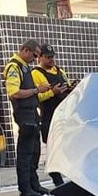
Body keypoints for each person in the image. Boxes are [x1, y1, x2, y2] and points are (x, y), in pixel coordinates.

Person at [4, 39, 52, 196]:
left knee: (35, 151)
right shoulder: (14, 67)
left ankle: (34, 184)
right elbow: (14, 92)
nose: (35, 59)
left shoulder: (24, 67)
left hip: (32, 113)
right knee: (25, 153)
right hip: (23, 113)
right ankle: (25, 188)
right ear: (25, 50)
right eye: (34, 55)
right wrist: (37, 90)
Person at [31, 44, 72, 187]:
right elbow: (36, 97)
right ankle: (57, 180)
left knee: (67, 147)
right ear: (40, 58)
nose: (51, 60)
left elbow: (66, 85)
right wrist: (52, 93)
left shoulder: (59, 70)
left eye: (52, 56)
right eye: (48, 57)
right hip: (48, 116)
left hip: (64, 116)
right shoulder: (36, 73)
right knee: (53, 149)